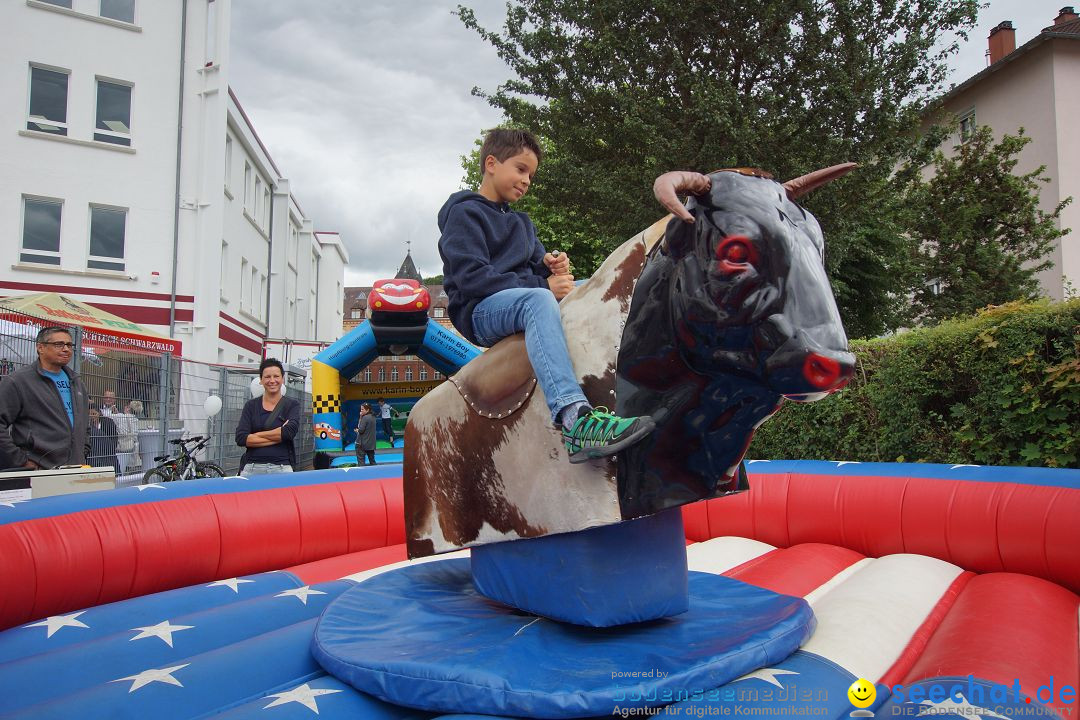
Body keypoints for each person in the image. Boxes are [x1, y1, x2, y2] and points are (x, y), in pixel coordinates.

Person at [438, 129, 708, 463]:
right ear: (491, 163)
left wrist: (552, 266)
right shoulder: (464, 213)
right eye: (521, 169)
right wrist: (543, 287)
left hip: (519, 300)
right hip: (481, 310)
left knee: (595, 291)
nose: (527, 181)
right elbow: (471, 278)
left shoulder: (521, 223)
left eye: (531, 176)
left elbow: (536, 272)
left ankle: (646, 388)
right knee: (537, 301)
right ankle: (574, 419)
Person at [0, 326, 91, 469]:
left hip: (74, 468)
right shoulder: (19, 381)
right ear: (40, 347)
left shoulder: (76, 382)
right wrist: (20, 460)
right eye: (58, 344)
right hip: (38, 470)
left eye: (69, 345)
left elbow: (84, 423)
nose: (66, 349)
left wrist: (83, 450)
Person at [235, 358, 301, 476]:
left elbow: (288, 432)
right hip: (252, 468)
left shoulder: (292, 405)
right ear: (261, 380)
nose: (272, 380)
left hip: (282, 468)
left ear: (282, 379)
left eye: (276, 376)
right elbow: (241, 438)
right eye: (267, 377)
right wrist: (278, 434)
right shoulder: (251, 406)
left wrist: (255, 435)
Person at [87, 407, 120, 476]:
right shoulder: (88, 426)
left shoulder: (108, 423)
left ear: (99, 414)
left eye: (94, 414)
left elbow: (113, 439)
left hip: (107, 452)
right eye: (89, 414)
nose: (92, 416)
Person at [113, 400, 142, 474]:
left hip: (123, 447)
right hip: (133, 447)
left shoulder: (121, 417)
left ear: (128, 408)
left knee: (123, 468)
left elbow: (107, 416)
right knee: (133, 470)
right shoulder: (135, 419)